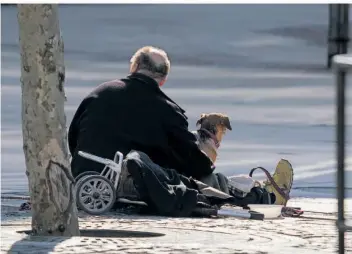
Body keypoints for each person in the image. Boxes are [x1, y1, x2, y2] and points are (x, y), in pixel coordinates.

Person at [68, 46, 214, 180]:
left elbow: (73, 136)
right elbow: (195, 163)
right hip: (127, 187)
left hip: (83, 176)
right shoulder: (168, 111)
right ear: (163, 80)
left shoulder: (100, 92)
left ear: (134, 67)